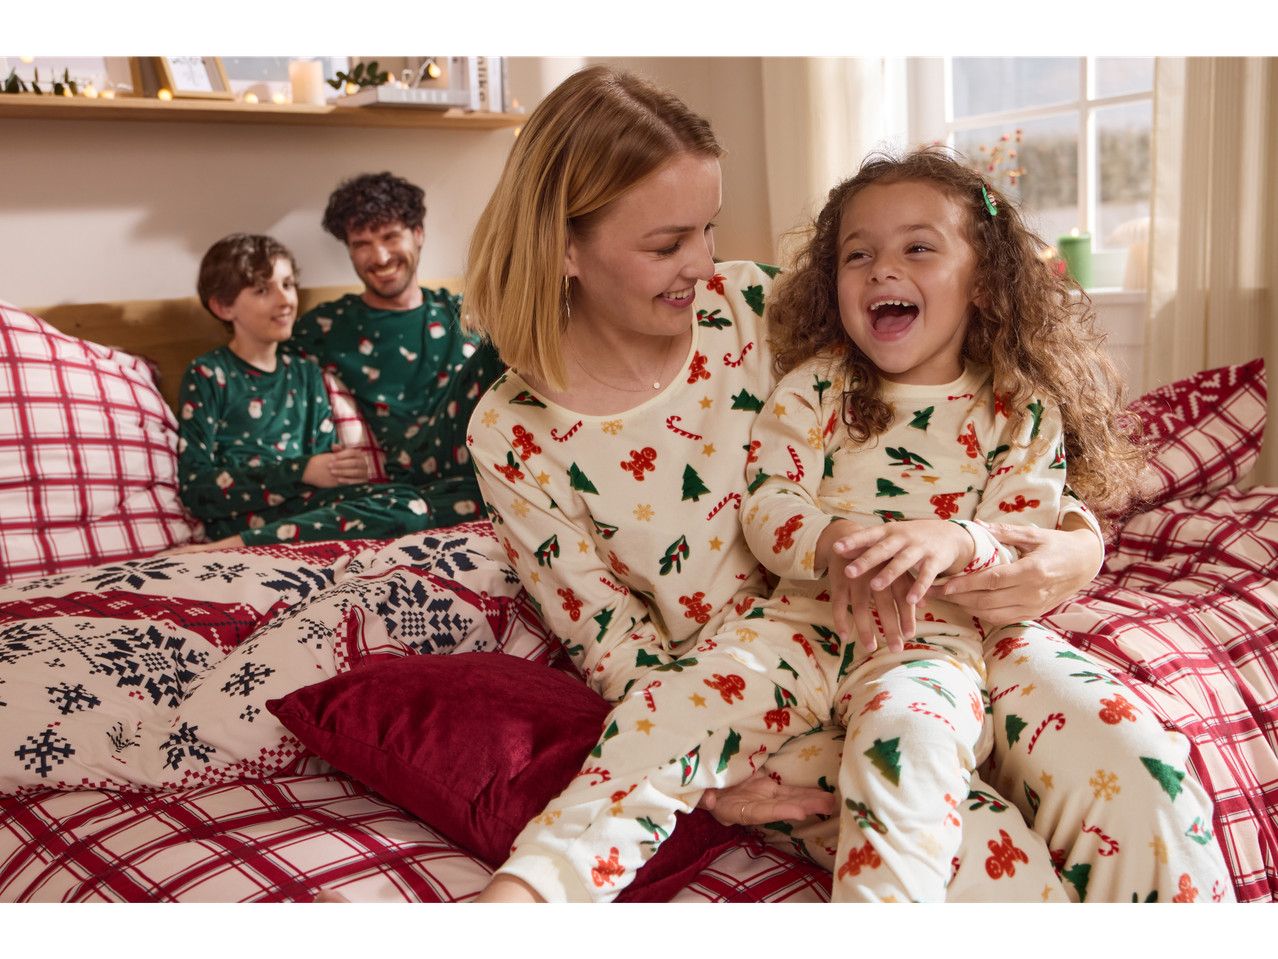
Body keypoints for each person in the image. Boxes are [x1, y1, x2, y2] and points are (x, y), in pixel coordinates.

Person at [466, 68, 1225, 904]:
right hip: (766, 662)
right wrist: (714, 781)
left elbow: (961, 427)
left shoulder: (754, 305)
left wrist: (1078, 544)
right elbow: (614, 647)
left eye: (708, 228)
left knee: (1140, 774)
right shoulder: (511, 431)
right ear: (564, 247)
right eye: (666, 243)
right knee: (990, 864)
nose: (704, 263)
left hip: (953, 619)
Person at [171, 234, 437, 551]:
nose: (285, 300)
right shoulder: (208, 373)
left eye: (288, 284)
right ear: (224, 306)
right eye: (262, 290)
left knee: (410, 504)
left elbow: (322, 467)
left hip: (305, 515)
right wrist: (301, 471)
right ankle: (228, 546)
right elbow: (197, 490)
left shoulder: (307, 374)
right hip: (240, 517)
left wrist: (341, 469)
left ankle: (267, 542)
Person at [284, 173, 503, 526]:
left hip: (481, 459)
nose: (380, 256)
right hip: (405, 471)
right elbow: (268, 382)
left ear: (417, 234)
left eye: (390, 236)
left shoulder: (464, 310)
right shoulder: (325, 327)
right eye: (362, 244)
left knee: (516, 333)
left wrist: (499, 320)